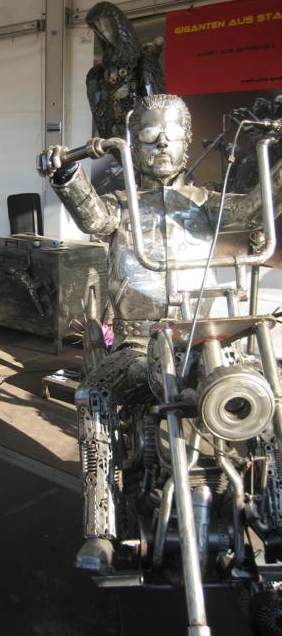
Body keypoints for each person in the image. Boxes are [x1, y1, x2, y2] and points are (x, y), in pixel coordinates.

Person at [40, 93, 282, 570]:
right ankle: (101, 529)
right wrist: (65, 173)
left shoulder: (209, 205)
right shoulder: (120, 205)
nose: (163, 143)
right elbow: (92, 216)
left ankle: (273, 518)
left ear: (188, 141)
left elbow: (257, 210)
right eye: (150, 133)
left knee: (268, 395)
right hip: (137, 340)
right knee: (95, 396)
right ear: (133, 144)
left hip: (205, 338)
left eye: (172, 133)